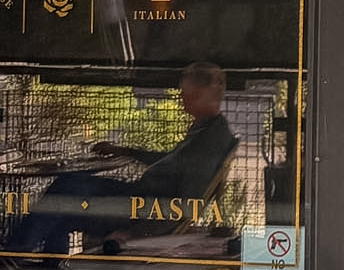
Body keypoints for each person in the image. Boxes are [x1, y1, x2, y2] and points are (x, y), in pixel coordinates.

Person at [8, 62, 237, 257]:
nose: (181, 98)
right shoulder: (204, 130)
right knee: (67, 197)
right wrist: (125, 151)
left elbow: (188, 204)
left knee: (69, 186)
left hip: (140, 211)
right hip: (139, 201)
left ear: (203, 94)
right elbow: (171, 161)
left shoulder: (210, 142)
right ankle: (45, 264)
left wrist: (133, 234)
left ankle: (15, 251)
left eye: (186, 93)